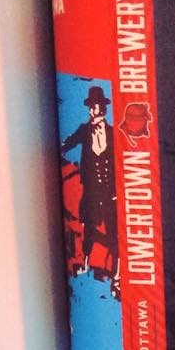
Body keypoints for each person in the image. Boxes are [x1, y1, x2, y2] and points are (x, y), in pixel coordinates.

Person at [60, 84, 119, 294]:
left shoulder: (112, 132)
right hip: (91, 192)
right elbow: (66, 143)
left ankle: (117, 276)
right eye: (91, 106)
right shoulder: (84, 130)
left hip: (110, 193)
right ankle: (85, 263)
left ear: (103, 108)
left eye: (96, 106)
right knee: (89, 230)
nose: (92, 110)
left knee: (114, 234)